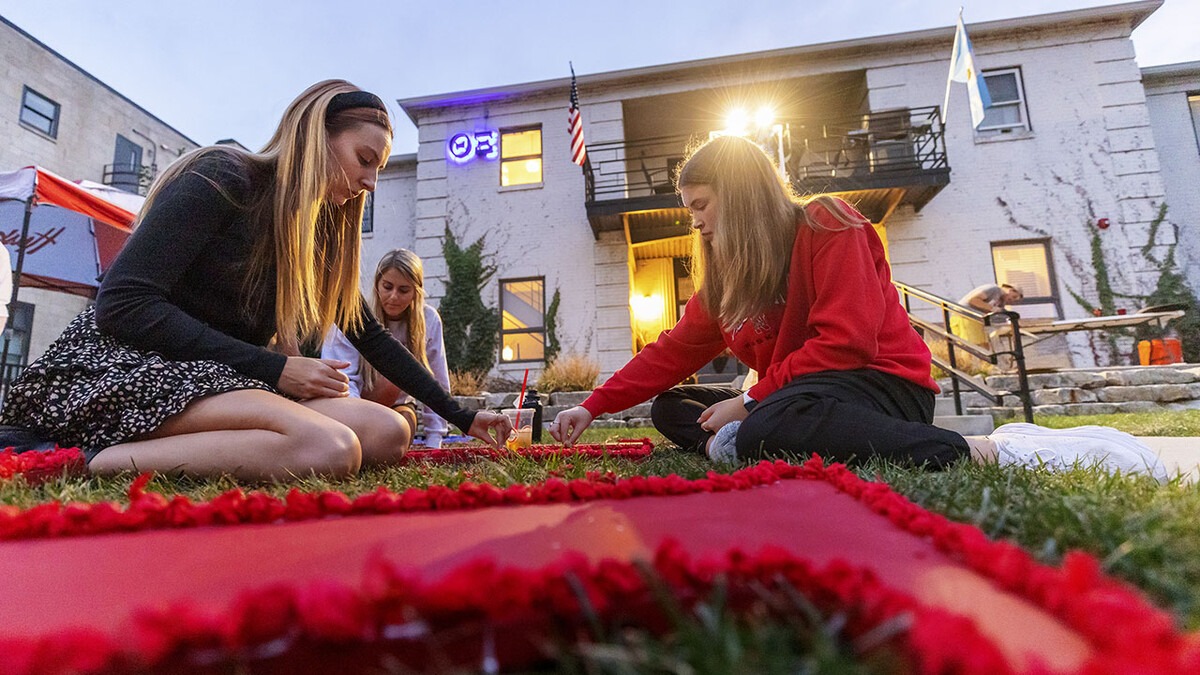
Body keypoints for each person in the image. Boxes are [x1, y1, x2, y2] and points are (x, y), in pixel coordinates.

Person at [549, 135, 1165, 482]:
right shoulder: (728, 279)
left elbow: (845, 343)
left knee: (765, 423)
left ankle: (975, 450)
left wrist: (751, 399)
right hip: (802, 395)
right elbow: (670, 354)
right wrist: (590, 405)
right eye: (691, 208)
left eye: (703, 204)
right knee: (673, 407)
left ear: (740, 197)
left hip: (880, 384)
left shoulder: (827, 224)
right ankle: (742, 440)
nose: (696, 220)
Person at [0, 80, 510, 480]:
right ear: (317, 137)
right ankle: (98, 458)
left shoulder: (317, 234)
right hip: (131, 367)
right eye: (364, 160)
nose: (370, 182)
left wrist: (461, 415)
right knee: (328, 447)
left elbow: (368, 335)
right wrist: (275, 369)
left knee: (388, 433)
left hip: (221, 377)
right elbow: (123, 304)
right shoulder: (224, 177)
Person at [321, 249, 451, 448]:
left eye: (404, 290)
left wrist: (435, 439)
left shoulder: (429, 320)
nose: (393, 297)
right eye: (387, 287)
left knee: (400, 431)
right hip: (354, 403)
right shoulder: (354, 317)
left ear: (416, 291)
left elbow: (438, 380)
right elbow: (343, 379)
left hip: (399, 405)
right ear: (376, 285)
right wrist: (358, 421)